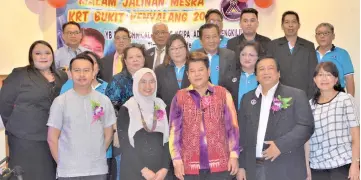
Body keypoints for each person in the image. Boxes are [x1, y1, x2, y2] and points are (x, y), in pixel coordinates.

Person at [237, 56, 314, 180]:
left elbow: (306, 127)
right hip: (253, 169)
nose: (266, 72)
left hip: (285, 167)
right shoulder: (247, 99)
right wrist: (241, 166)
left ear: (279, 73)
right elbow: (242, 134)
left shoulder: (296, 95)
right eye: (261, 69)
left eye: (270, 68)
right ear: (256, 76)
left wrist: (280, 145)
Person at [0, 40, 68, 180]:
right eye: (38, 53)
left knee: (49, 174)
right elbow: (4, 103)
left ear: (52, 56)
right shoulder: (20, 74)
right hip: (24, 138)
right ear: (31, 57)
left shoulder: (62, 76)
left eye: (47, 53)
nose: (43, 56)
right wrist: (14, 125)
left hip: (53, 137)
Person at [169, 52, 240, 180]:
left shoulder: (223, 94)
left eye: (201, 70)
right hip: (189, 167)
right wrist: (176, 159)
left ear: (208, 71)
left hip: (221, 165)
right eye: (192, 71)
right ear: (187, 75)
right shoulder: (179, 97)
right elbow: (174, 132)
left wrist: (234, 155)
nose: (197, 74)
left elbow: (232, 128)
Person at [47, 54, 116, 180]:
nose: (82, 75)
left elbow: (108, 133)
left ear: (93, 72)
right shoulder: (61, 101)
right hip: (68, 172)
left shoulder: (103, 100)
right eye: (77, 70)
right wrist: (62, 164)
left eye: (86, 70)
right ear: (70, 73)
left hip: (97, 170)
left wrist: (97, 154)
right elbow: (52, 138)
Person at [305, 62, 359, 180]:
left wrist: (355, 164)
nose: (324, 78)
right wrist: (307, 166)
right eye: (320, 75)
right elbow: (307, 139)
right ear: (314, 79)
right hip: (317, 166)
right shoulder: (310, 105)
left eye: (328, 74)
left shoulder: (345, 99)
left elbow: (355, 134)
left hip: (342, 163)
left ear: (336, 79)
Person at [117, 68, 169, 180]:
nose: (148, 86)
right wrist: (143, 170)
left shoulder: (161, 106)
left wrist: (165, 167)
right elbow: (125, 143)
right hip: (134, 170)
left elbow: (168, 139)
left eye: (152, 81)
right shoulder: (127, 108)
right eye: (143, 81)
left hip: (160, 171)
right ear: (136, 84)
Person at [105, 43, 147, 180]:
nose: (135, 60)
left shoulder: (150, 79)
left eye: (138, 56)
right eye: (131, 57)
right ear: (125, 60)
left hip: (147, 137)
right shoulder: (118, 81)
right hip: (123, 136)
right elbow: (110, 109)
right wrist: (115, 131)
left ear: (144, 59)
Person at [267, 11, 318, 98]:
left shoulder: (308, 46)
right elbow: (268, 72)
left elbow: (313, 73)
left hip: (303, 95)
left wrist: (310, 97)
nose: (290, 25)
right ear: (282, 26)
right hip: (278, 96)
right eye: (287, 22)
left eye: (294, 22)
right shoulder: (273, 45)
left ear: (299, 25)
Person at [314, 23, 355, 96]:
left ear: (333, 36)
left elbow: (349, 78)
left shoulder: (342, 53)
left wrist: (350, 101)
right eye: (319, 33)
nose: (322, 36)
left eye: (326, 33)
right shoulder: (311, 54)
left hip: (337, 94)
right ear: (316, 37)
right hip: (316, 95)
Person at [155, 34, 191, 116]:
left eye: (180, 47)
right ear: (168, 52)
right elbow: (156, 97)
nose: (177, 51)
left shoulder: (195, 66)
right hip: (168, 117)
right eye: (173, 48)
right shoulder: (160, 70)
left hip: (193, 117)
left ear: (186, 48)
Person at [224, 42, 259, 109]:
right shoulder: (229, 78)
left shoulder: (262, 78)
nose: (247, 58)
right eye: (243, 54)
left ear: (258, 57)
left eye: (251, 55)